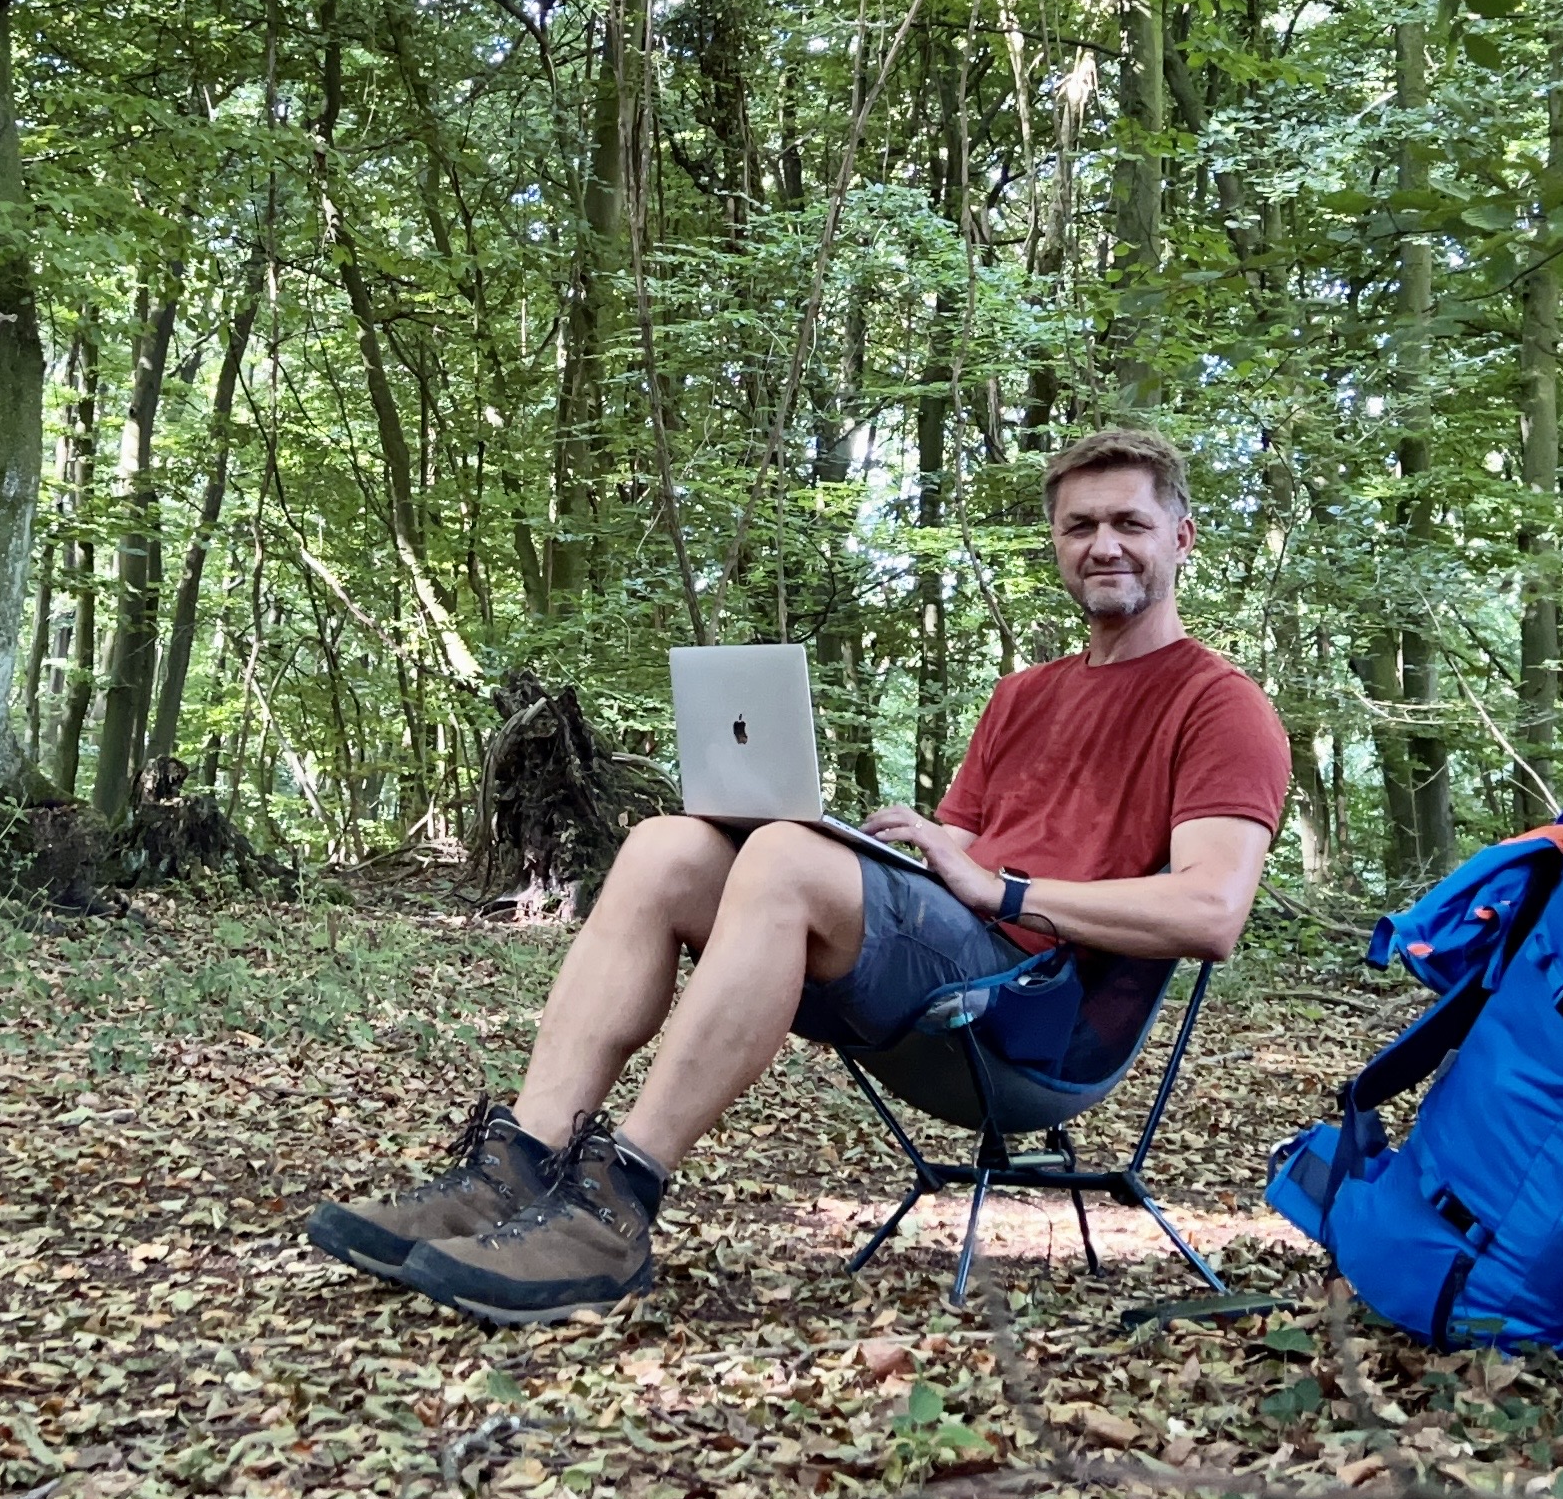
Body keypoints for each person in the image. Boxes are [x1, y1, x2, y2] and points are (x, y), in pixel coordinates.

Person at [304, 424, 1290, 1324]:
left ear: (1181, 538)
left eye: (1128, 521)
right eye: (1079, 525)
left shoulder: (1218, 705)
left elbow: (1209, 910)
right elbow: (965, 855)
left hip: (1037, 1018)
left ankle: (614, 1211)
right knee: (668, 843)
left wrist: (1006, 891)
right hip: (948, 976)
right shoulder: (1023, 694)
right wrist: (912, 853)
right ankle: (514, 1171)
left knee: (781, 856)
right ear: (1056, 543)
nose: (1102, 544)